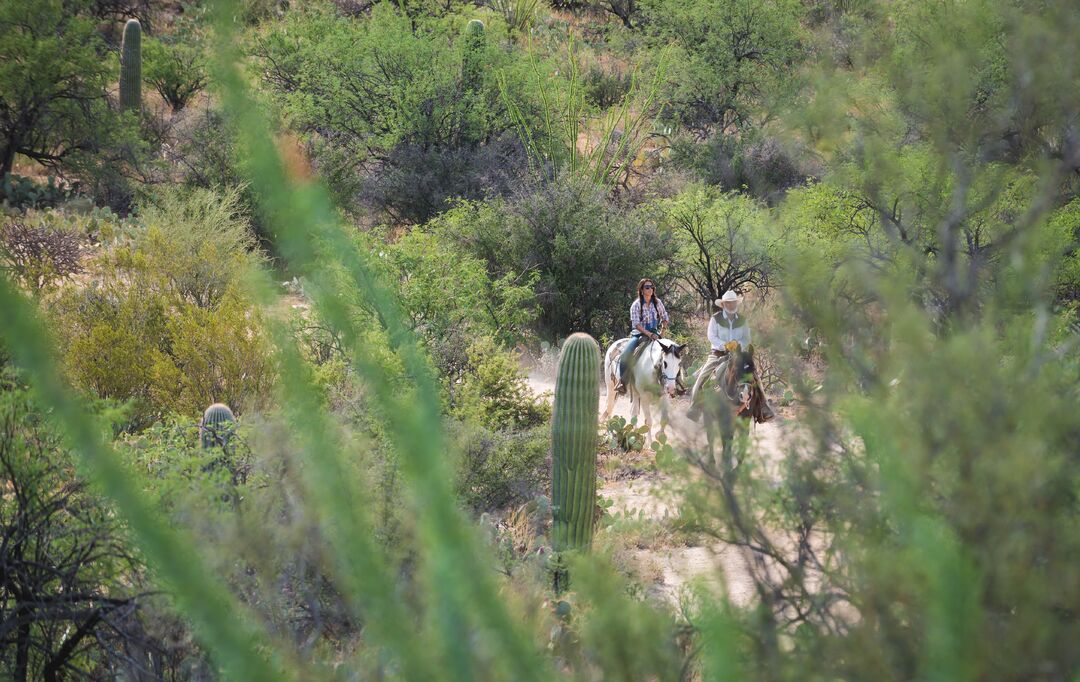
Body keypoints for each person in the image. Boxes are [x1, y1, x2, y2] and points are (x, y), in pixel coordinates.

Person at [689, 290, 763, 418]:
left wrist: (737, 343)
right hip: (718, 355)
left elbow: (747, 338)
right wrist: (724, 345)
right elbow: (711, 336)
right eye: (728, 303)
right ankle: (694, 408)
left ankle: (763, 408)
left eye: (733, 303)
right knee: (702, 378)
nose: (731, 305)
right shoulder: (715, 319)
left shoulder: (743, 320)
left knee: (755, 378)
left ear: (736, 304)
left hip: (739, 356)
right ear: (723, 304)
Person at [615, 278, 669, 394]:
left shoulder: (657, 302)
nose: (650, 289)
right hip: (639, 334)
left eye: (652, 287)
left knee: (671, 352)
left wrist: (662, 332)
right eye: (647, 287)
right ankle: (622, 382)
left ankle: (674, 384)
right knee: (626, 354)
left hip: (655, 334)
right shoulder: (636, 304)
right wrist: (649, 334)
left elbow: (665, 317)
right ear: (641, 290)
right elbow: (636, 324)